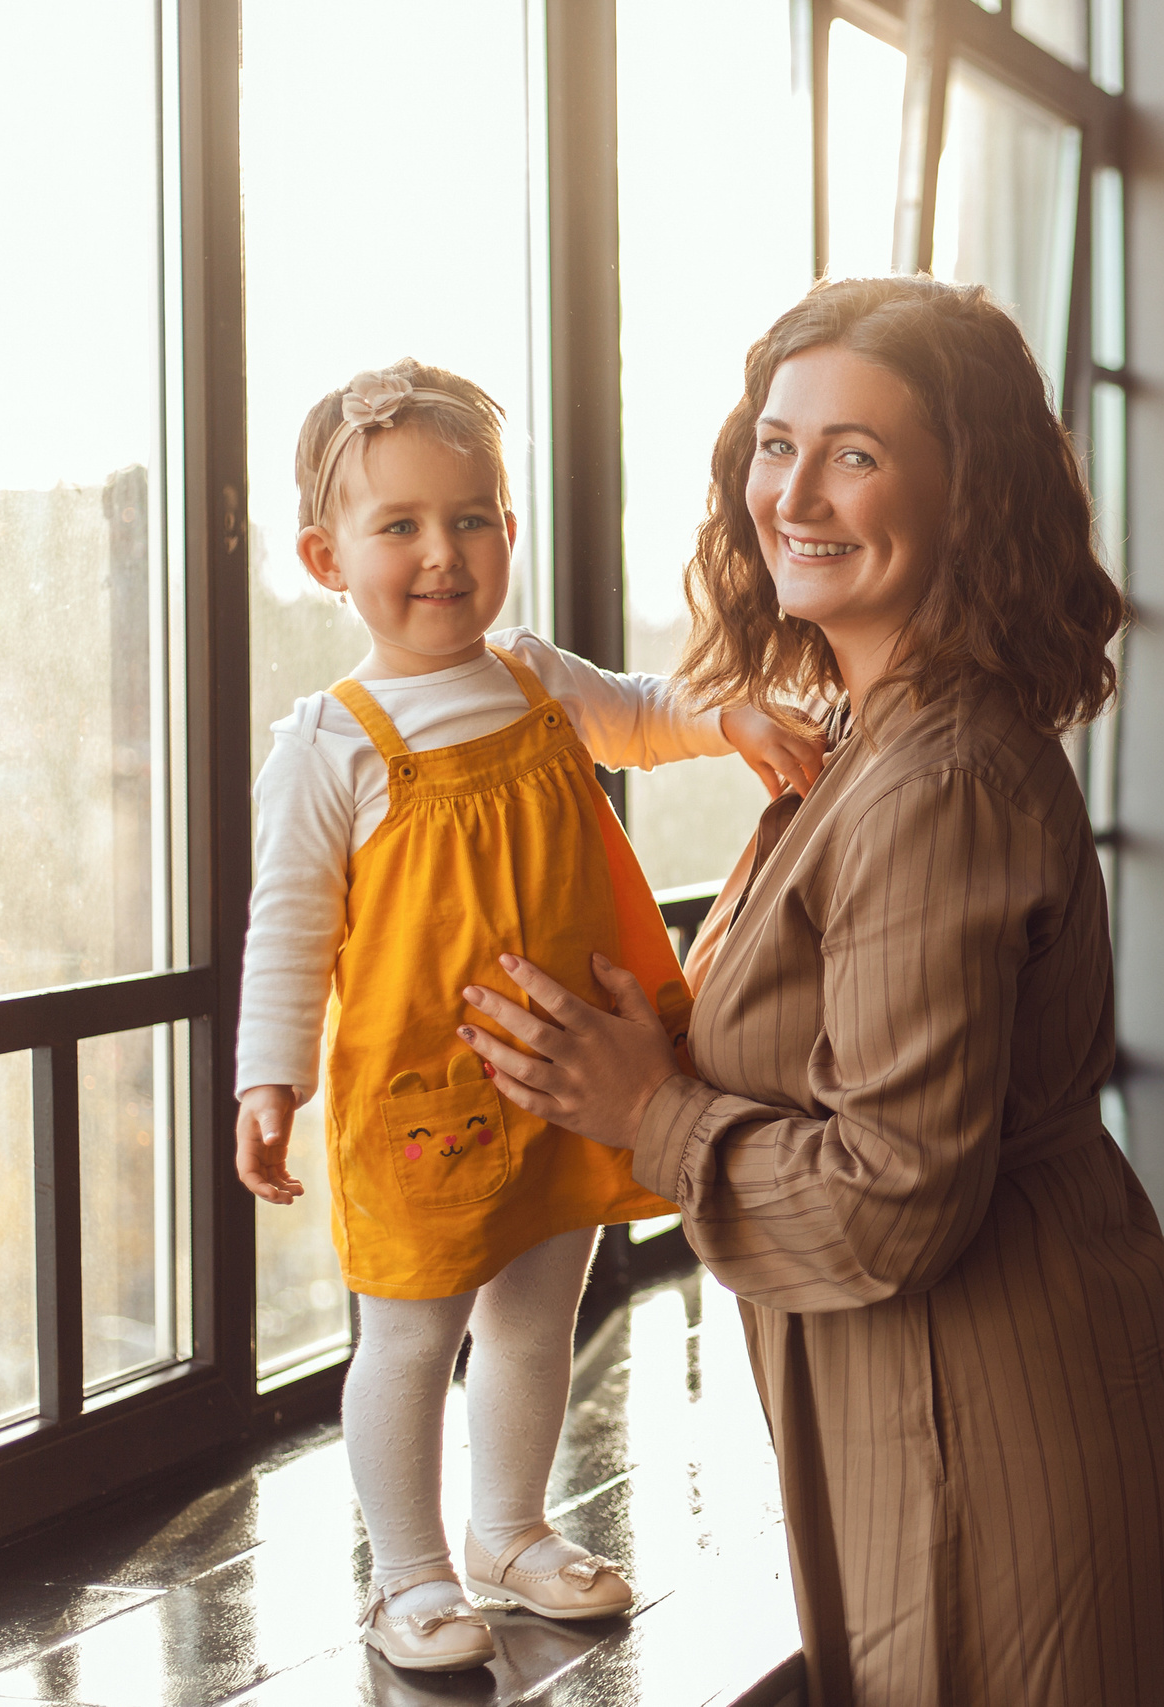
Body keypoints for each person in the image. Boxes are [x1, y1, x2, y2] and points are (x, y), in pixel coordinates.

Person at [455, 278, 1164, 1705]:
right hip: (943, 1403)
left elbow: (891, 1196)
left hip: (996, 1424)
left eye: (856, 454)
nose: (794, 492)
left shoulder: (934, 781)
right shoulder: (873, 741)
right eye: (774, 441)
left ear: (967, 494)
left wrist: (652, 1111)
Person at [232, 359, 825, 1672]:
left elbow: (648, 717)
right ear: (328, 556)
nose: (442, 554)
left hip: (565, 1076)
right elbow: (286, 931)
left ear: (509, 529)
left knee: (537, 1313)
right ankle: (407, 1577)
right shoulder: (332, 741)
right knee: (409, 1334)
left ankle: (506, 1529)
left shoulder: (538, 679)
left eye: (473, 517)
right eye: (401, 526)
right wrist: (266, 1081)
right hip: (421, 1100)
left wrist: (728, 714)